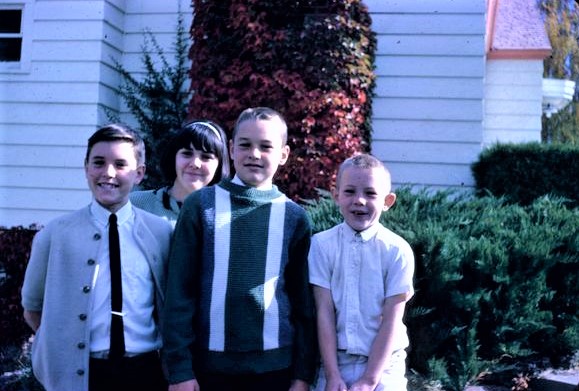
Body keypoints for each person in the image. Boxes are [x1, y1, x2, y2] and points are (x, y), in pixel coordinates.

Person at [162, 107, 318, 391]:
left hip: (276, 369)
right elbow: (179, 293)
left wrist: (302, 374)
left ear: (283, 154)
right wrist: (180, 369)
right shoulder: (201, 205)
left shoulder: (293, 216)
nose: (254, 154)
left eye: (265, 147)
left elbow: (303, 303)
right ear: (231, 149)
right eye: (245, 145)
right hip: (209, 368)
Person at [21, 124, 173, 391]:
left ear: (139, 174)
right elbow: (33, 309)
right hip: (82, 375)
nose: (108, 173)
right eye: (99, 163)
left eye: (120, 164)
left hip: (146, 371)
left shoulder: (160, 232)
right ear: (86, 168)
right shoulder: (55, 234)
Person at [308, 153, 415, 391]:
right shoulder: (321, 245)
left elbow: (392, 319)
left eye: (370, 193)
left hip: (385, 365)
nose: (359, 200)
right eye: (349, 192)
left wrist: (369, 380)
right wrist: (332, 374)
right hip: (335, 361)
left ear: (387, 201)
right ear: (336, 195)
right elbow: (323, 311)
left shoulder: (397, 250)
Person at [130, 120, 230, 225]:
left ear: (219, 165)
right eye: (187, 154)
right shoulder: (135, 205)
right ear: (174, 157)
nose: (195, 163)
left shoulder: (225, 219)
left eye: (206, 157)